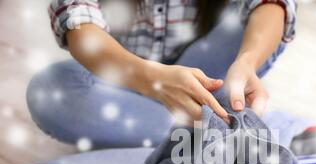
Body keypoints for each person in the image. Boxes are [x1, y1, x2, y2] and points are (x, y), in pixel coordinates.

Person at [27, 0, 298, 149]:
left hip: (205, 70)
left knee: (260, 25)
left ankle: (186, 128)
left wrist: (247, 62)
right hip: (127, 76)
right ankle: (208, 130)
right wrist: (152, 79)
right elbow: (76, 19)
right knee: (50, 92)